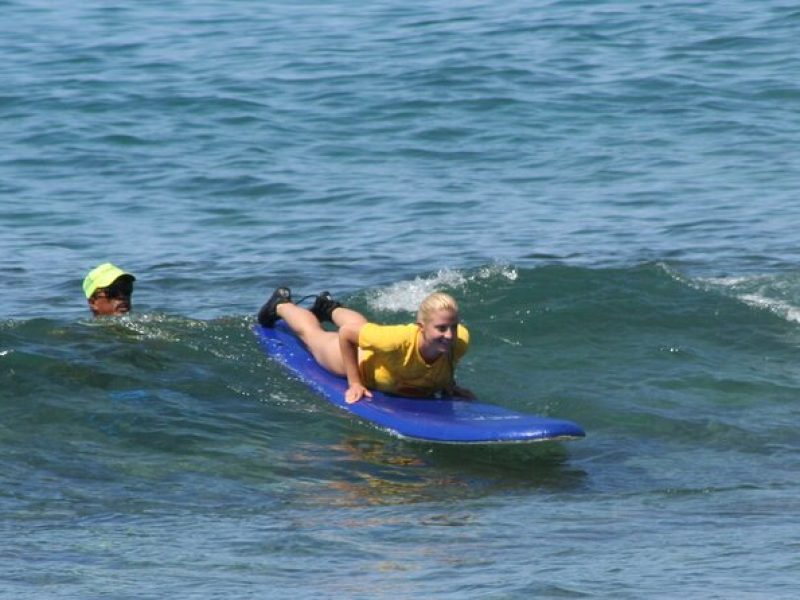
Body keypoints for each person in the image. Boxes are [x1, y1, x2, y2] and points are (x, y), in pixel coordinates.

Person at [258, 287, 475, 404]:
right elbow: (346, 335)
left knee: (362, 326)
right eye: (441, 328)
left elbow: (447, 358)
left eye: (453, 327)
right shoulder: (395, 340)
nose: (449, 335)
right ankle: (280, 305)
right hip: (359, 360)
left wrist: (448, 384)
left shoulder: (459, 341)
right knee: (313, 336)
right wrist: (355, 383)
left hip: (379, 347)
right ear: (421, 326)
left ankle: (327, 307)